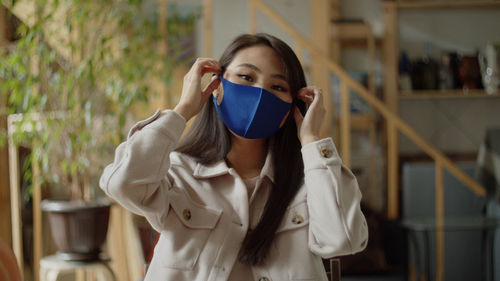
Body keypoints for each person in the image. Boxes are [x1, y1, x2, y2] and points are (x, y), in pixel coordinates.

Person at [100, 33, 368, 281]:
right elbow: (123, 184)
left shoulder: (309, 179)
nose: (260, 94)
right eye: (247, 78)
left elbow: (341, 240)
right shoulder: (177, 172)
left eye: (277, 86)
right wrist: (182, 111)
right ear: (216, 86)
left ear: (291, 107)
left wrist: (311, 140)